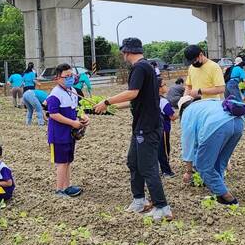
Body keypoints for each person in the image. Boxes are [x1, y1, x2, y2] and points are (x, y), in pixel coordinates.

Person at [94, 38, 172, 220]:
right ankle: (139, 200)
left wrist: (107, 101)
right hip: (142, 125)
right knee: (133, 162)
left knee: (148, 166)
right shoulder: (148, 68)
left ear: (126, 52)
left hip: (147, 126)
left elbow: (132, 92)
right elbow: (137, 99)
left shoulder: (139, 68)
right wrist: (112, 107)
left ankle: (162, 207)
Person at [178, 95, 244, 205]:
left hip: (217, 126)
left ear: (182, 109)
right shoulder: (205, 103)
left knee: (203, 165)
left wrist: (189, 171)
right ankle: (220, 196)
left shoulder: (187, 112)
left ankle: (228, 198)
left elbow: (188, 143)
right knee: (220, 162)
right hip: (238, 123)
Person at [47, 63, 89, 198]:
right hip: (58, 134)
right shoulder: (55, 94)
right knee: (61, 162)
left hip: (70, 134)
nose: (70, 78)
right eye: (66, 76)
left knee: (68, 161)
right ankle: (59, 190)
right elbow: (53, 114)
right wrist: (72, 122)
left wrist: (83, 117)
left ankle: (67, 187)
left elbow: (75, 109)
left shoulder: (73, 91)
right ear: (58, 78)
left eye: (71, 76)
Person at [158, 79, 178, 177]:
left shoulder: (152, 99)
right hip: (164, 128)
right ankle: (166, 171)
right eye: (164, 84)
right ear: (159, 88)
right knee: (164, 150)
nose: (166, 86)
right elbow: (172, 116)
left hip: (154, 128)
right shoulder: (163, 101)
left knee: (157, 149)